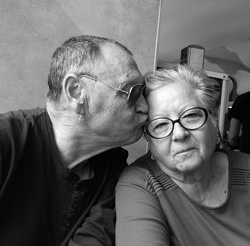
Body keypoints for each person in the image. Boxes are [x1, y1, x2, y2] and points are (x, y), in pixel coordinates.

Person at [0, 35, 148, 246]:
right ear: (76, 92)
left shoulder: (114, 169)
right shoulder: (7, 140)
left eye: (144, 92)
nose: (145, 107)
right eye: (133, 91)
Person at [116, 65, 250, 246]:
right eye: (160, 125)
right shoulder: (141, 183)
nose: (179, 134)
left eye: (191, 115)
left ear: (212, 120)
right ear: (148, 137)